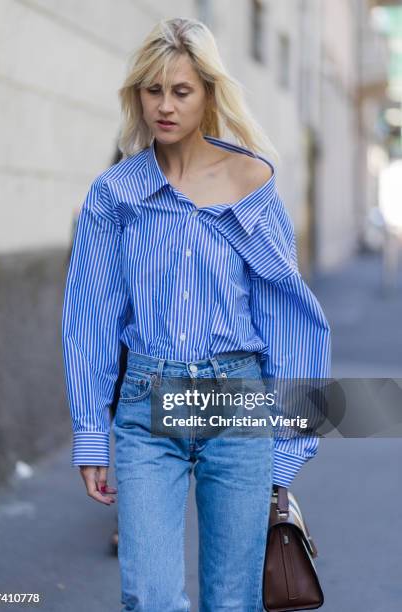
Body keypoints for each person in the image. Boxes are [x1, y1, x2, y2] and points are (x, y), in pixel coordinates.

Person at [62, 17, 331, 611]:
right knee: (149, 597)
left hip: (237, 404)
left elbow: (291, 322)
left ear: (208, 93)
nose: (164, 105)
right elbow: (91, 319)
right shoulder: (116, 195)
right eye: (152, 91)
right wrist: (90, 436)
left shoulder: (250, 182)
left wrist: (290, 440)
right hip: (145, 403)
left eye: (181, 91)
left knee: (232, 601)